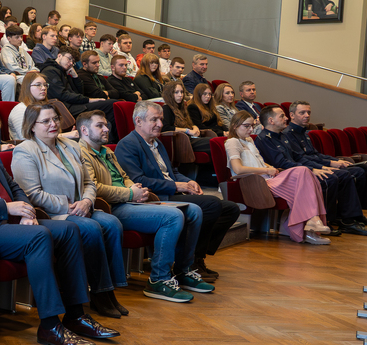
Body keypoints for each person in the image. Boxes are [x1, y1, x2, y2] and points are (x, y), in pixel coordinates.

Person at [0, 95, 110, 345]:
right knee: (39, 236)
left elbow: (14, 187)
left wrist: (27, 212)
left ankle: (75, 314)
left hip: (9, 226)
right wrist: (6, 208)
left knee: (69, 229)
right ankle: (50, 325)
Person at [75, 110, 209, 302]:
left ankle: (182, 270)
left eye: (106, 125)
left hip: (130, 201)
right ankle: (159, 280)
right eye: (100, 126)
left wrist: (135, 188)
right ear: (84, 130)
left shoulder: (107, 151)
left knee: (193, 211)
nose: (106, 129)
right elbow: (95, 188)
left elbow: (124, 177)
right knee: (173, 216)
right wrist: (131, 193)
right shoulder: (80, 153)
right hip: (112, 207)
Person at [10, 104, 129, 318]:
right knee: (91, 228)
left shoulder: (70, 145)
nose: (53, 124)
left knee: (112, 223)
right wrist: (68, 205)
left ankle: (110, 289)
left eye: (55, 119)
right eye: (46, 121)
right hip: (53, 213)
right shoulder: (25, 150)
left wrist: (86, 202)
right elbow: (32, 194)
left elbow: (89, 182)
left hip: (81, 207)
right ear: (32, 126)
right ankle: (100, 293)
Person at [115, 101, 239, 280]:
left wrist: (188, 181)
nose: (160, 124)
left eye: (161, 119)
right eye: (154, 119)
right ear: (138, 121)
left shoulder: (157, 143)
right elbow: (138, 181)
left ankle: (196, 256)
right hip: (156, 197)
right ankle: (189, 262)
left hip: (172, 192)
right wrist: (176, 186)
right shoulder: (127, 145)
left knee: (230, 208)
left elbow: (172, 172)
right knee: (211, 205)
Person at [256, 105, 367, 235]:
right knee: (330, 179)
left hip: (299, 171)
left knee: (343, 175)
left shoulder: (281, 136)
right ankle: (326, 221)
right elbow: (282, 164)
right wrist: (312, 170)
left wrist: (319, 167)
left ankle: (347, 218)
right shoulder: (264, 139)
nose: (286, 118)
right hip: (286, 177)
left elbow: (299, 157)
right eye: (282, 116)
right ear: (271, 121)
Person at [225, 110, 330, 244]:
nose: (251, 129)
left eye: (252, 126)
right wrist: (266, 170)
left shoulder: (249, 140)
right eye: (246, 126)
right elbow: (238, 169)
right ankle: (309, 226)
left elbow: (260, 161)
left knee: (305, 173)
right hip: (255, 182)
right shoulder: (232, 142)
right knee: (303, 172)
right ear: (235, 126)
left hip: (267, 178)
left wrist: (269, 167)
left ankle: (312, 222)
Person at [44, 46, 117, 125]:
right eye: (69, 59)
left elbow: (79, 92)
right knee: (112, 104)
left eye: (73, 61)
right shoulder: (50, 71)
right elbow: (62, 95)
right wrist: (89, 100)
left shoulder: (64, 71)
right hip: (66, 109)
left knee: (112, 106)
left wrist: (75, 77)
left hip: (75, 106)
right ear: (59, 56)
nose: (71, 63)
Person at [161, 80, 212, 158]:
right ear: (169, 94)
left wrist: (194, 127)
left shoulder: (181, 108)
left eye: (182, 92)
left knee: (216, 142)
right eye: (176, 92)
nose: (180, 95)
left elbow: (189, 123)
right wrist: (187, 130)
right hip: (181, 142)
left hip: (189, 139)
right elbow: (165, 128)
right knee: (214, 142)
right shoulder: (166, 108)